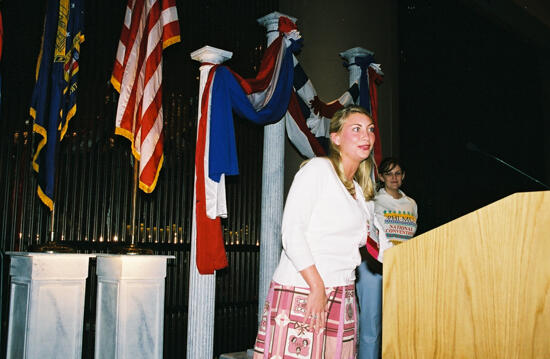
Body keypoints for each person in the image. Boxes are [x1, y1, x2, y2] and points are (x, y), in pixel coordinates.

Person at [253, 105, 383, 358]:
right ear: (336, 138)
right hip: (307, 287)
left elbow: (377, 244)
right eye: (355, 129)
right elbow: (292, 232)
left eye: (370, 130)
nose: (366, 136)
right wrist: (316, 287)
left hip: (344, 290)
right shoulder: (318, 170)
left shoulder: (361, 194)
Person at [356, 157, 418, 359]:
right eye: (389, 173)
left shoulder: (411, 204)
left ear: (404, 176)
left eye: (398, 173)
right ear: (381, 177)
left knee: (399, 324)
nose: (394, 177)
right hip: (374, 267)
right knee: (371, 325)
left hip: (401, 268)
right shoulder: (373, 200)